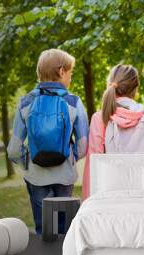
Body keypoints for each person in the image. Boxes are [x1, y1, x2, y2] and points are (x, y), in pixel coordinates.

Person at [7, 49, 89, 234]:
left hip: (36, 176)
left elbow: (13, 149)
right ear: (61, 71)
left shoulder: (25, 102)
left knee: (44, 231)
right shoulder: (74, 102)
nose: (70, 77)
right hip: (64, 175)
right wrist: (69, 157)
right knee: (65, 231)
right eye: (70, 73)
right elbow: (83, 145)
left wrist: (28, 163)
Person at [82, 64, 144, 199]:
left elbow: (94, 164)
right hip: (141, 195)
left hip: (110, 194)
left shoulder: (100, 118)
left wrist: (88, 200)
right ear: (135, 89)